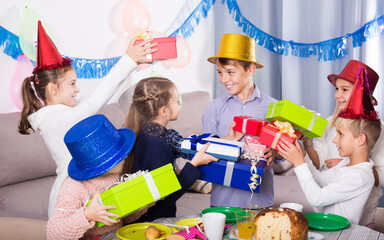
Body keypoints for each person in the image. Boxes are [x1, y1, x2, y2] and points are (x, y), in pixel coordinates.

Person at [17, 21, 157, 217]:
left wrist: (133, 63)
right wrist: (128, 60)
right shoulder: (54, 120)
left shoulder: (63, 112)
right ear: (53, 89)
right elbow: (94, 102)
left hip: (89, 189)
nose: (77, 89)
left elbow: (97, 93)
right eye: (72, 83)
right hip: (71, 197)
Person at [278, 75, 382, 224]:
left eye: (340, 134)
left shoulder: (359, 176)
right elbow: (320, 179)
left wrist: (299, 162)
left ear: (360, 139)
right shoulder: (345, 164)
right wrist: (303, 155)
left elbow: (317, 198)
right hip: (328, 227)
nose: (335, 139)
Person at [202, 33, 282, 208]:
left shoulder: (273, 108)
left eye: (230, 72)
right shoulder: (214, 109)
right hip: (223, 203)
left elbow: (283, 154)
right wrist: (226, 143)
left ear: (251, 70)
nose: (224, 79)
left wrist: (276, 151)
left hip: (260, 202)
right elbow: (203, 155)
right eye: (220, 73)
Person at [122, 77, 219, 221]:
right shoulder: (156, 144)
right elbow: (167, 196)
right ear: (163, 111)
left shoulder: (152, 134)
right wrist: (194, 165)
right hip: (154, 221)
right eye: (177, 101)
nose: (180, 104)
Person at [302, 60, 384, 227]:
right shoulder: (328, 123)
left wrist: (347, 165)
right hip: (328, 212)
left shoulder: (378, 130)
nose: (337, 95)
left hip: (361, 217)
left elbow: (381, 175)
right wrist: (307, 141)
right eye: (337, 89)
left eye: (345, 90)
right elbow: (318, 163)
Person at [47, 114, 148, 239]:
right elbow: (53, 233)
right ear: (102, 163)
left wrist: (145, 202)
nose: (126, 155)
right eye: (119, 154)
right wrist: (87, 215)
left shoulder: (116, 176)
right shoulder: (74, 188)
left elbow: (124, 217)